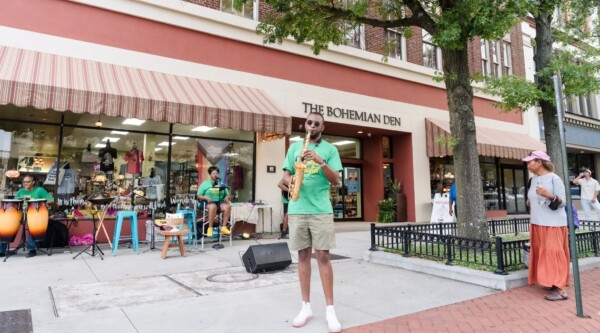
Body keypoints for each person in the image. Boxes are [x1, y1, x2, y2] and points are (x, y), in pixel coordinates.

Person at [282, 112, 343, 332]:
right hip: (298, 208)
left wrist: (321, 162)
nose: (312, 125)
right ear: (304, 124)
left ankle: (330, 309)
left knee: (324, 256)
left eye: (317, 123)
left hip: (320, 210)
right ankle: (305, 306)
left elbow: (336, 180)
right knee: (302, 255)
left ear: (322, 127)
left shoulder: (330, 149)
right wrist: (292, 182)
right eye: (309, 122)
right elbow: (285, 175)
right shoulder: (293, 148)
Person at [522, 150, 569, 301]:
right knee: (543, 252)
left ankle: (560, 289)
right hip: (537, 222)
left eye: (531, 162)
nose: (528, 165)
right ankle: (550, 281)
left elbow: (564, 202)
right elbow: (533, 198)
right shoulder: (533, 180)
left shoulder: (555, 178)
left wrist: (550, 195)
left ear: (539, 162)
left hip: (553, 223)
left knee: (553, 253)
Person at [0, 175, 53, 258]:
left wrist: (46, 202)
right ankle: (2, 251)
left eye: (28, 182)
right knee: (5, 226)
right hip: (20, 213)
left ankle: (32, 249)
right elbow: (15, 203)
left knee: (34, 225)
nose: (25, 183)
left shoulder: (39, 190)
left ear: (33, 182)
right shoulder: (20, 191)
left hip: (35, 214)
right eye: (24, 182)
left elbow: (51, 199)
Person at [196, 166, 231, 238]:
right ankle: (210, 228)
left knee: (227, 206)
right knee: (213, 206)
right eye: (213, 173)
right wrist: (206, 197)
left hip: (219, 202)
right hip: (206, 203)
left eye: (216, 173)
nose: (215, 175)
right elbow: (198, 195)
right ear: (210, 174)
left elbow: (227, 194)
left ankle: (224, 227)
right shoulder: (205, 183)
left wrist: (226, 198)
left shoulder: (221, 183)